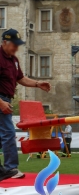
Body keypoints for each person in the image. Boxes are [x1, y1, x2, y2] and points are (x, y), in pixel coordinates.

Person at [0, 29, 51, 182]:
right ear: (4, 43)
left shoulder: (14, 61)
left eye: (17, 45)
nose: (16, 48)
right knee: (8, 133)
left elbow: (20, 79)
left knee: (3, 135)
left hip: (6, 99)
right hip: (1, 99)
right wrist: (1, 103)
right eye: (14, 44)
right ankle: (10, 168)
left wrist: (37, 83)